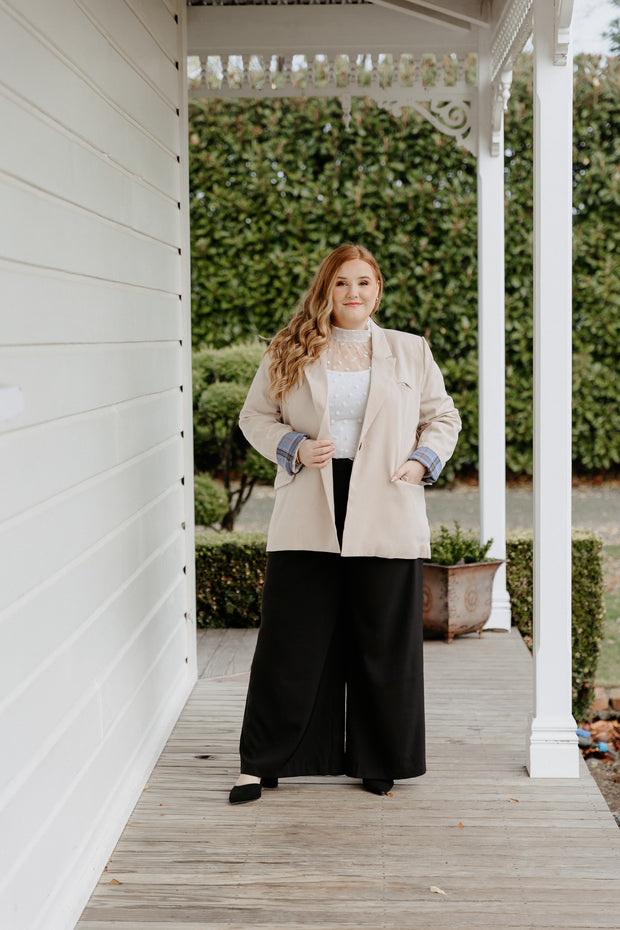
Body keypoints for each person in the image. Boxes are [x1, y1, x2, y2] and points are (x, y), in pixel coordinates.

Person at [229, 243, 461, 804]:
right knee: (291, 637)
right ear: (325, 289)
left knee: (383, 638)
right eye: (341, 283)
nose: (353, 293)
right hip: (311, 503)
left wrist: (420, 461)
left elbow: (443, 417)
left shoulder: (411, 350)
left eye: (363, 282)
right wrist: (294, 446)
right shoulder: (289, 347)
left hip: (385, 501)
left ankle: (378, 759)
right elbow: (254, 415)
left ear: (377, 289)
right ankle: (260, 763)